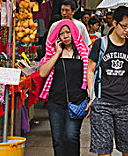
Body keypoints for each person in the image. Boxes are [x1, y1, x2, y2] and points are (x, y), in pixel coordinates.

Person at [87, 6, 128, 156]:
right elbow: (90, 70)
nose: (127, 31)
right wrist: (91, 96)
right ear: (114, 23)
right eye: (124, 26)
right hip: (102, 103)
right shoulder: (100, 44)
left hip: (125, 103)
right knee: (103, 150)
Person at [38, 20, 90, 156]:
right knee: (58, 139)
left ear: (74, 33)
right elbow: (42, 73)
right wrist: (57, 53)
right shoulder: (52, 53)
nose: (65, 36)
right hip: (56, 102)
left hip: (77, 101)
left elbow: (91, 76)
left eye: (68, 32)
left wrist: (90, 98)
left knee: (71, 136)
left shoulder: (83, 54)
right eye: (62, 34)